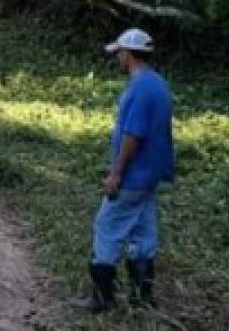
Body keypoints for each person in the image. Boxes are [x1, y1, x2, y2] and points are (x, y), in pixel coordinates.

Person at [75, 28, 175, 314]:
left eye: (119, 53)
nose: (117, 58)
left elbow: (134, 135)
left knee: (106, 228)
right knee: (143, 233)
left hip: (133, 175)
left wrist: (116, 173)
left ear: (128, 54)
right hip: (150, 176)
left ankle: (102, 299)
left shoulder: (141, 88)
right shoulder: (158, 84)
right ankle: (142, 298)